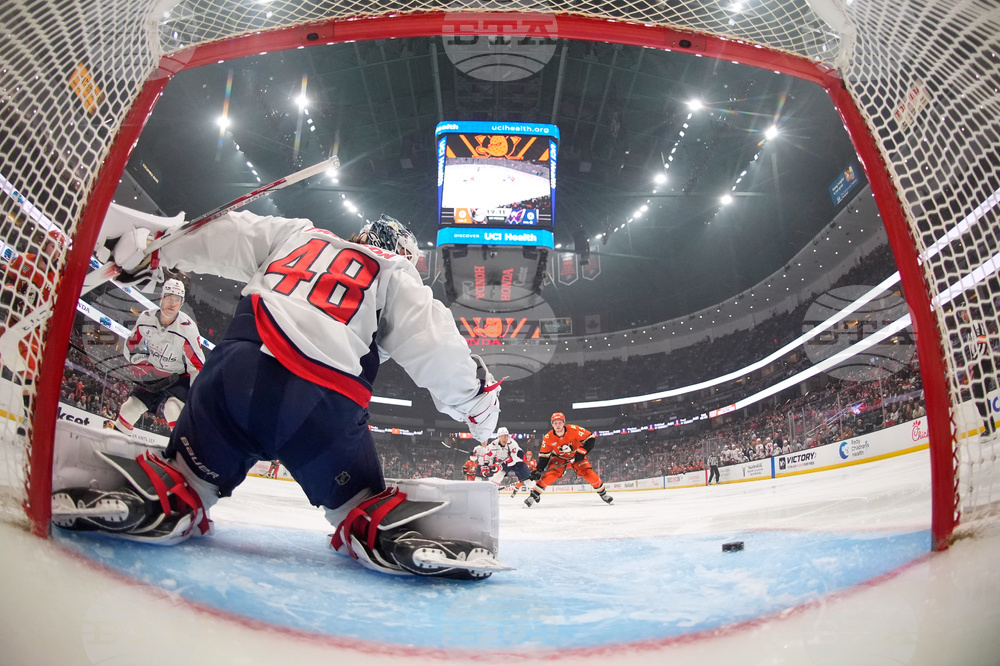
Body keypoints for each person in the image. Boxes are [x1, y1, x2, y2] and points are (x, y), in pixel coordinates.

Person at [52, 210, 502, 580]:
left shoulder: (297, 234)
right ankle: (376, 527)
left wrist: (156, 248)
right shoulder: (393, 273)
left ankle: (172, 494)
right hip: (321, 407)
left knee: (191, 478)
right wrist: (477, 403)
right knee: (359, 501)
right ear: (403, 254)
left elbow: (226, 234)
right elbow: (436, 349)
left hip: (233, 380)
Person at [113, 279, 205, 433]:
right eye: (169, 298)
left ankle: (183, 444)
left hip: (179, 378)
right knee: (129, 409)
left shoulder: (187, 329)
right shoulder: (146, 318)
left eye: (177, 300)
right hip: (154, 373)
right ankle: (115, 442)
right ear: (161, 298)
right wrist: (141, 362)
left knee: (172, 409)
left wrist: (196, 395)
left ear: (181, 303)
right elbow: (131, 344)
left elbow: (197, 366)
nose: (172, 304)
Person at [524, 412, 612, 507]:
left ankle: (603, 494)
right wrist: (538, 470)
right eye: (555, 423)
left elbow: (591, 438)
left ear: (564, 423)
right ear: (552, 424)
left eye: (560, 422)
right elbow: (544, 457)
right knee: (550, 475)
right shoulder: (548, 438)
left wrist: (582, 451)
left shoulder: (574, 429)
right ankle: (533, 496)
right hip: (559, 458)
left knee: (589, 474)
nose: (558, 425)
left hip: (576, 456)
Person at [960, 305, 997, 439]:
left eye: (965, 312)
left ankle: (990, 428)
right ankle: (989, 427)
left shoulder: (975, 324)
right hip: (978, 365)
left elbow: (982, 344)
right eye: (962, 314)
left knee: (980, 396)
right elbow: (973, 350)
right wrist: (972, 366)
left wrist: (975, 362)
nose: (964, 315)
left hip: (983, 363)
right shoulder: (968, 331)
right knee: (979, 397)